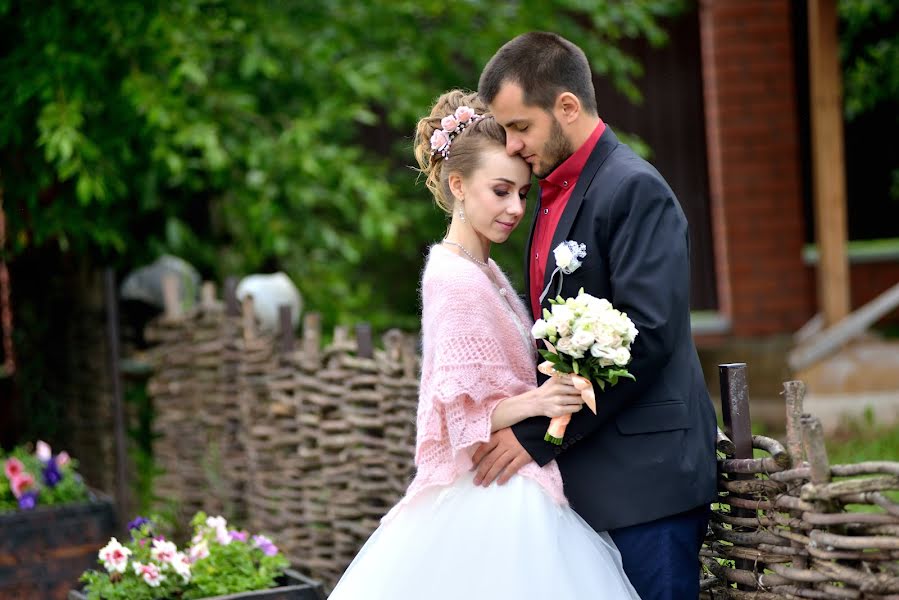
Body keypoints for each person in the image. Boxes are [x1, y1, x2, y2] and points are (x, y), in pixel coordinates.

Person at [327, 90, 639, 599]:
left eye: (521, 192)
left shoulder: (486, 271)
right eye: (500, 191)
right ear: (458, 185)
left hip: (517, 477)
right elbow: (455, 418)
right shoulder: (453, 278)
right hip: (493, 492)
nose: (516, 207)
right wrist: (537, 400)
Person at [473, 32, 718, 600]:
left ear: (566, 106)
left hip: (648, 481)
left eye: (521, 127)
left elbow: (648, 335)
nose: (511, 146)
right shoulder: (555, 191)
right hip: (592, 480)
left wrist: (542, 431)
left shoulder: (633, 189)